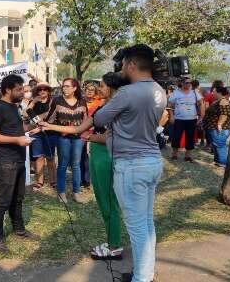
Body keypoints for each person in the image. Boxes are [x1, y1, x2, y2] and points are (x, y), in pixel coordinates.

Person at [93, 44, 167, 282]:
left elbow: (100, 118)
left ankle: (141, 279)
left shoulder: (128, 93)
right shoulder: (159, 90)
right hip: (152, 160)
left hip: (132, 166)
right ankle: (145, 273)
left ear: (132, 64)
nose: (121, 68)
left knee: (137, 229)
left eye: (123, 64)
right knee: (146, 224)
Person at [41, 72, 126, 260]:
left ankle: (114, 246)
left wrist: (91, 137)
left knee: (108, 201)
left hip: (106, 156)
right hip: (98, 154)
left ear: (111, 87)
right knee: (104, 201)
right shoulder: (105, 106)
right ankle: (112, 241)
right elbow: (77, 129)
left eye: (102, 85)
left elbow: (115, 137)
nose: (99, 88)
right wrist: (50, 126)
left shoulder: (116, 108)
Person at [0, 74, 35, 253]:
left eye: (23, 88)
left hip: (20, 158)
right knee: (4, 200)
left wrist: (33, 128)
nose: (23, 92)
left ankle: (19, 229)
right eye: (19, 89)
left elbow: (17, 129)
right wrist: (17, 141)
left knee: (18, 197)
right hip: (6, 161)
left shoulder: (15, 107)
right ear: (7, 89)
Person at [48, 78, 87, 203]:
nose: (64, 88)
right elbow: (50, 119)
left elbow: (86, 121)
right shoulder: (57, 101)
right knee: (63, 165)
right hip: (63, 138)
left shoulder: (82, 102)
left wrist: (85, 135)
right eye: (63, 86)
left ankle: (76, 193)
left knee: (76, 165)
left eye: (67, 86)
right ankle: (61, 192)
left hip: (78, 138)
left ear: (75, 88)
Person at [25, 83, 57, 190]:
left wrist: (42, 125)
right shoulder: (32, 102)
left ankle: (53, 181)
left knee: (50, 157)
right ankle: (40, 181)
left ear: (48, 91)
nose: (42, 91)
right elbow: (27, 113)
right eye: (39, 90)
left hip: (50, 132)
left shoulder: (53, 101)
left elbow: (52, 116)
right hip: (37, 132)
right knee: (39, 157)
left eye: (45, 89)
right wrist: (33, 102)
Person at [169, 77, 204, 162]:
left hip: (192, 119)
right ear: (182, 83)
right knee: (176, 137)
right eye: (186, 82)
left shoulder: (194, 92)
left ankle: (187, 156)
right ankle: (174, 155)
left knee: (190, 137)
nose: (189, 84)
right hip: (179, 119)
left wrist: (201, 116)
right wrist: (171, 116)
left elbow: (200, 104)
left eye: (190, 82)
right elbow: (170, 106)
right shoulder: (176, 93)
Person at [81, 83, 104, 188]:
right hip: (80, 132)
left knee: (88, 157)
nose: (89, 91)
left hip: (93, 133)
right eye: (87, 89)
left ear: (95, 92)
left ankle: (87, 180)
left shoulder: (99, 103)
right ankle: (82, 179)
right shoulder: (80, 102)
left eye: (92, 90)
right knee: (80, 157)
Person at [203, 86, 230, 168]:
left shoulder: (223, 101)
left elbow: (224, 114)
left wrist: (219, 124)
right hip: (213, 127)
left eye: (214, 91)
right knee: (215, 145)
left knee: (220, 145)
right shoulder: (217, 101)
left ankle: (222, 163)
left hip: (219, 128)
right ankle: (217, 161)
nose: (212, 93)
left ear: (219, 92)